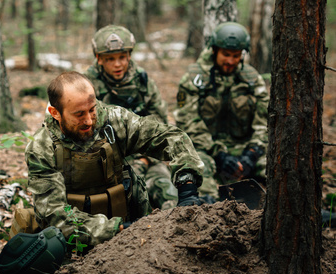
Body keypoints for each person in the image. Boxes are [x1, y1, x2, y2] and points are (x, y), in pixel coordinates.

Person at [25, 71, 205, 247]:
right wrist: (116, 229)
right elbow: (54, 214)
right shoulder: (42, 148)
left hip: (134, 222)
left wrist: (187, 184)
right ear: (55, 112)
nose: (88, 120)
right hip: (77, 240)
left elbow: (169, 137)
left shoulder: (115, 121)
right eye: (79, 114)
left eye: (92, 109)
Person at [84, 24, 179, 210]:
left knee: (168, 196)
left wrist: (144, 160)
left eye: (122, 57)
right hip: (104, 162)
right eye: (110, 59)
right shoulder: (85, 85)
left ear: (129, 55)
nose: (117, 64)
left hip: (145, 157)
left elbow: (158, 127)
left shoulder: (142, 83)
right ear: (99, 59)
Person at [173, 22, 269, 199]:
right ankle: (208, 207)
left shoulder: (252, 80)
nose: (231, 61)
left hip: (244, 149)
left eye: (236, 55)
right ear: (215, 50)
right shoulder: (194, 78)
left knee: (277, 166)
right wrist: (220, 155)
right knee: (196, 168)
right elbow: (188, 121)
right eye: (226, 54)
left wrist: (252, 153)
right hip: (207, 150)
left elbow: (264, 122)